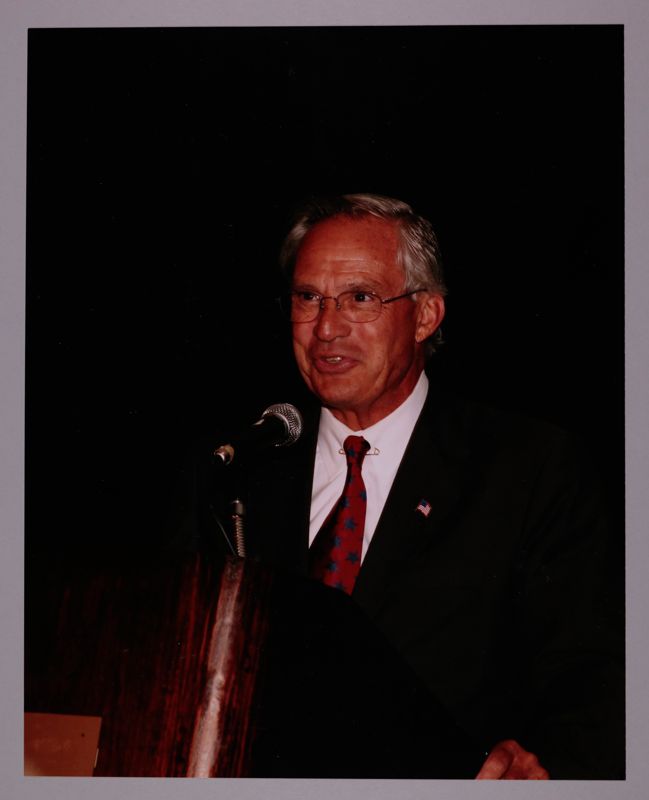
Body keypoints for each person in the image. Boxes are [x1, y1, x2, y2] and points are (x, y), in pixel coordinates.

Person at [186, 193, 624, 779]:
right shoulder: (239, 476)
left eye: (360, 298)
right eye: (307, 298)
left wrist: (546, 769)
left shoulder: (528, 469)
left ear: (425, 316)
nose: (326, 327)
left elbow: (594, 681)